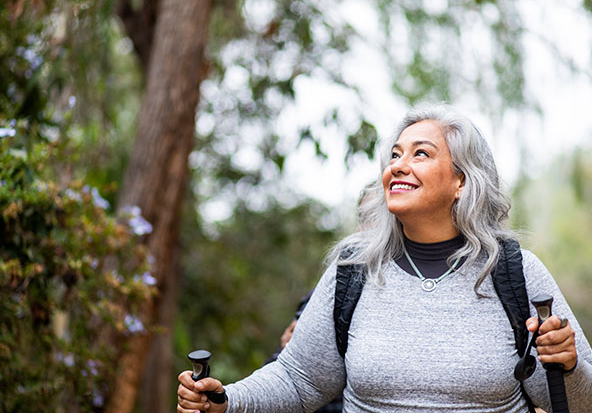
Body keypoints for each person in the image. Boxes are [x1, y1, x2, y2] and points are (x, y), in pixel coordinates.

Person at [177, 104, 592, 412]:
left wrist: (567, 364)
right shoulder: (354, 268)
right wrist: (227, 401)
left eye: (420, 154)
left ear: (461, 181)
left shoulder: (514, 271)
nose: (398, 166)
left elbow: (576, 402)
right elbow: (299, 380)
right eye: (395, 155)